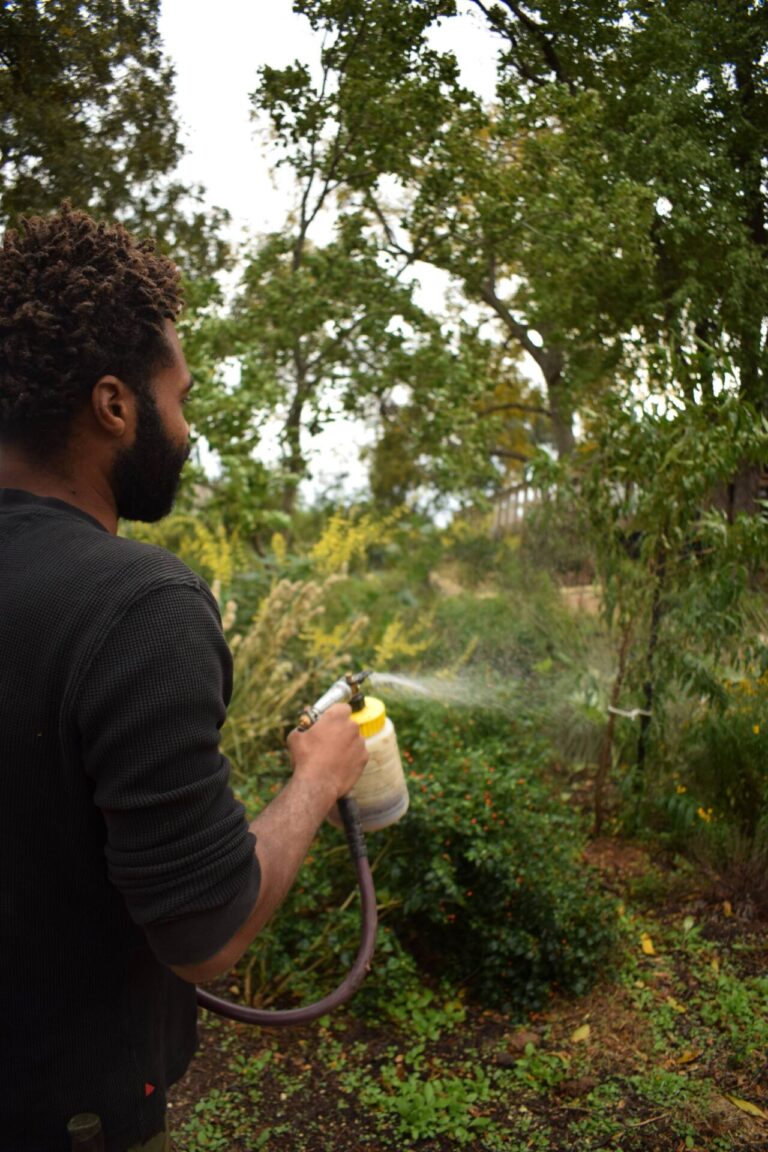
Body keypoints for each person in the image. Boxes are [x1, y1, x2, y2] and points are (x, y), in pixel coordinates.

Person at [0, 205, 368, 1152]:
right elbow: (207, 932)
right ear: (115, 405)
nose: (190, 427)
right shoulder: (139, 606)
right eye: (181, 397)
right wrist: (321, 776)